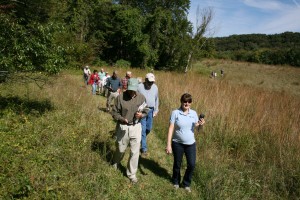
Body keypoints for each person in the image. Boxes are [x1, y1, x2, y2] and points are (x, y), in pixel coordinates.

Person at [111, 78, 149, 184]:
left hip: (136, 127)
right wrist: (122, 119)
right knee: (120, 148)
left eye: (134, 89)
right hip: (123, 127)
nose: (132, 92)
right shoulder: (120, 98)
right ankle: (116, 162)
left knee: (135, 152)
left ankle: (132, 174)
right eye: (130, 89)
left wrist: (142, 114)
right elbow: (114, 113)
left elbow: (146, 109)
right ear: (127, 87)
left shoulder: (141, 97)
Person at [165, 93, 205, 193]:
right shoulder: (175, 113)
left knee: (191, 164)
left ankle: (186, 183)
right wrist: (168, 144)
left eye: (189, 102)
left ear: (191, 103)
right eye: (184, 101)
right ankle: (176, 181)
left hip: (190, 144)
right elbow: (171, 128)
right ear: (181, 102)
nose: (186, 103)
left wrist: (201, 124)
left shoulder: (194, 113)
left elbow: (198, 128)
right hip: (177, 143)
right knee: (177, 164)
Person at [137, 73, 159, 156]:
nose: (151, 84)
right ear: (145, 80)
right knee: (143, 129)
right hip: (142, 109)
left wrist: (156, 110)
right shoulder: (139, 87)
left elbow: (157, 99)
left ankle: (139, 139)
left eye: (152, 82)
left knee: (148, 128)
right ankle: (144, 148)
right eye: (149, 82)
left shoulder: (155, 87)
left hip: (151, 110)